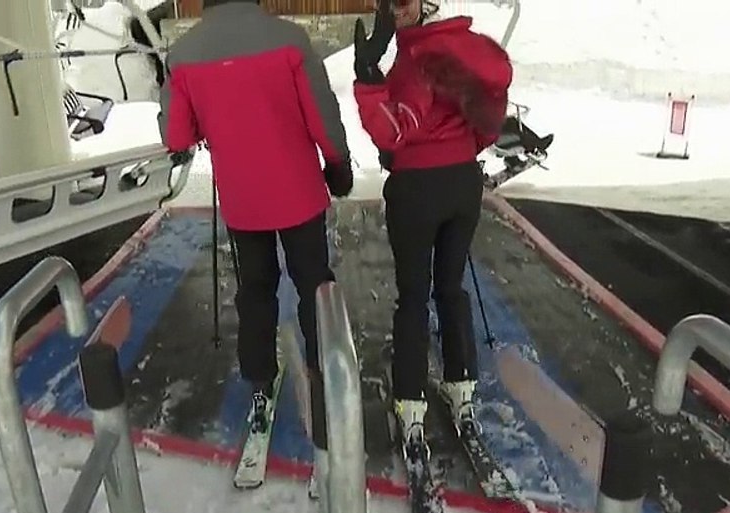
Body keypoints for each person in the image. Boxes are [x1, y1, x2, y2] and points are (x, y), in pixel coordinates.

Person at [158, 0, 354, 467]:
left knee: (256, 291)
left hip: (244, 200)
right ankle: (323, 379)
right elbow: (320, 111)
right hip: (300, 192)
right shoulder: (289, 39)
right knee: (315, 287)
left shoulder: (183, 55)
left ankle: (261, 387)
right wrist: (339, 161)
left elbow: (177, 137)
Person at [352, 0, 513, 449]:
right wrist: (458, 147)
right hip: (463, 184)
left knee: (414, 296)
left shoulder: (417, 58)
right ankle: (462, 388)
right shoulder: (466, 48)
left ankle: (410, 401)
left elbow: (393, 132)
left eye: (401, 3)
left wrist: (368, 78)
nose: (394, 10)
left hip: (417, 191)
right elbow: (488, 124)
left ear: (423, 6)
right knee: (451, 286)